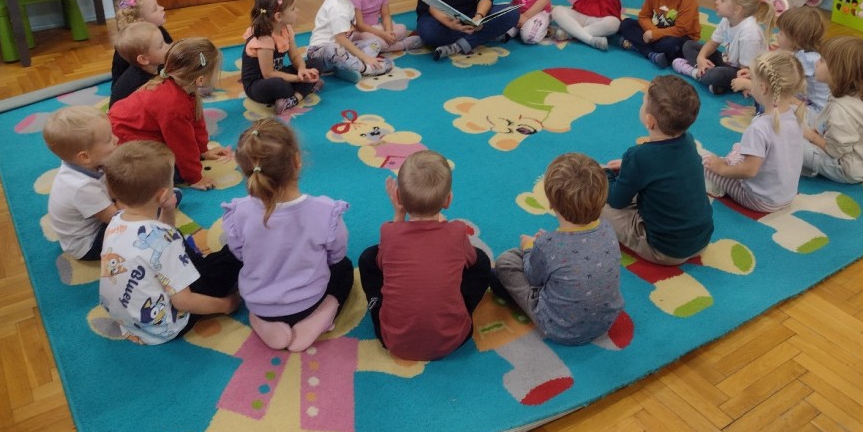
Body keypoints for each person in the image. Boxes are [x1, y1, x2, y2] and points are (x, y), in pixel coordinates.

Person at [222, 118, 354, 351]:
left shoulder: (237, 212)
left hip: (259, 304)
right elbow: (337, 255)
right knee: (344, 270)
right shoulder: (326, 212)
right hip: (309, 303)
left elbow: (239, 253)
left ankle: (262, 323)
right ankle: (320, 318)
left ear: (245, 171)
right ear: (297, 160)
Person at [98, 141, 241, 345]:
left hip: (129, 319)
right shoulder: (166, 241)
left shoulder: (116, 221)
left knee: (173, 238)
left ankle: (196, 265)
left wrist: (167, 210)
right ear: (163, 194)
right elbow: (184, 302)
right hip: (165, 326)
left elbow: (159, 240)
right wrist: (226, 305)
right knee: (234, 256)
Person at [357, 151, 491, 361]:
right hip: (453, 338)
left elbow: (383, 263)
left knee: (368, 258)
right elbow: (472, 261)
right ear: (448, 200)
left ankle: (376, 303)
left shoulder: (389, 232)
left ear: (398, 197)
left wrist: (399, 215)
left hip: (394, 340)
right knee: (481, 260)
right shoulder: (457, 232)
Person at [490, 152, 625, 346]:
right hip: (606, 321)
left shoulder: (548, 245)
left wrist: (530, 247)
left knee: (506, 261)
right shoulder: (607, 228)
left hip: (560, 328)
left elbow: (533, 277)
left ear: (550, 203)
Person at [600, 76, 713, 265]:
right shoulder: (689, 141)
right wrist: (630, 168)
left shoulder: (639, 157)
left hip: (665, 250)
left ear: (650, 121)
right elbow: (662, 168)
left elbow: (617, 200)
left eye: (643, 101)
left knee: (595, 199)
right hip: (702, 239)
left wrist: (605, 175)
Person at [109, 37, 232, 190]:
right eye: (215, 72)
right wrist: (195, 178)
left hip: (139, 130)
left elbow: (196, 121)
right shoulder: (174, 105)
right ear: (200, 80)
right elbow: (182, 145)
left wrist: (203, 150)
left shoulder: (183, 86)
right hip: (123, 140)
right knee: (167, 171)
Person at [703, 50, 805, 212]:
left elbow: (749, 171)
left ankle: (717, 184)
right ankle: (731, 160)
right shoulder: (795, 114)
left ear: (763, 88)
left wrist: (721, 168)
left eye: (752, 80)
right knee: (740, 149)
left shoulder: (759, 128)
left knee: (706, 163)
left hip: (758, 199)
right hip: (787, 195)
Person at [802, 36, 863, 184]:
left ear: (837, 72)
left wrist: (812, 137)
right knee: (800, 115)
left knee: (791, 144)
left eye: (822, 60)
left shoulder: (841, 111)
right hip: (856, 156)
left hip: (845, 168)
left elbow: (836, 151)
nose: (816, 62)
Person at [673, 0, 775, 95]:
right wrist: (700, 58)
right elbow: (712, 43)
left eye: (722, 0)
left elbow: (745, 70)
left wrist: (744, 85)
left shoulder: (749, 33)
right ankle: (707, 75)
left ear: (737, 9)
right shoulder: (727, 20)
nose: (717, 2)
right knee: (689, 45)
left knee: (716, 75)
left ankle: (694, 72)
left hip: (745, 71)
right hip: (728, 61)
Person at [43, 105, 120, 261]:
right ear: (85, 157)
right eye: (108, 139)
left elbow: (109, 185)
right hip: (89, 244)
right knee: (140, 220)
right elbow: (116, 219)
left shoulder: (81, 164)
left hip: (94, 219)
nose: (116, 139)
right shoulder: (82, 187)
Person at [307, 0, 394, 82]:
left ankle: (345, 68)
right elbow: (341, 39)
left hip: (341, 49)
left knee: (374, 43)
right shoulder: (336, 7)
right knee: (335, 49)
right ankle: (366, 68)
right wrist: (365, 58)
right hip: (320, 54)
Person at [732, 6, 829, 120]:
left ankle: (765, 119)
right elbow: (774, 72)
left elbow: (776, 83)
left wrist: (748, 84)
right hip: (808, 105)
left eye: (781, 33)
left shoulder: (806, 60)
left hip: (814, 115)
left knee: (768, 95)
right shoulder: (805, 54)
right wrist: (754, 74)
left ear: (796, 38)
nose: (777, 35)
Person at [240, 0, 322, 114]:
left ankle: (293, 97)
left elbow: (295, 56)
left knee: (317, 63)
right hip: (259, 83)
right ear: (278, 16)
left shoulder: (286, 28)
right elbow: (268, 74)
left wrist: (302, 70)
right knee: (279, 85)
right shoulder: (265, 38)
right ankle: (301, 92)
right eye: (293, 8)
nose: (297, 10)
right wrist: (299, 79)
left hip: (279, 73)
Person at [111, 0, 172, 82]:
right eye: (155, 9)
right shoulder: (130, 47)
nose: (162, 8)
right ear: (141, 21)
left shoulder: (159, 30)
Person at [109, 21, 171, 108]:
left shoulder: (156, 64)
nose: (168, 46)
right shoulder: (140, 86)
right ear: (143, 59)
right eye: (161, 46)